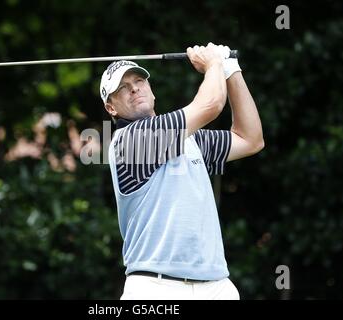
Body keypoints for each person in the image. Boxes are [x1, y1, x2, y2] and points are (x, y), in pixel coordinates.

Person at [99, 42, 264, 300]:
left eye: (139, 80)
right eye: (122, 87)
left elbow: (251, 138)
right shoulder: (129, 140)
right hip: (156, 288)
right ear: (111, 108)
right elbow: (211, 105)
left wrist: (231, 70)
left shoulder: (191, 140)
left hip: (217, 284)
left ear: (151, 90)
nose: (134, 88)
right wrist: (213, 64)